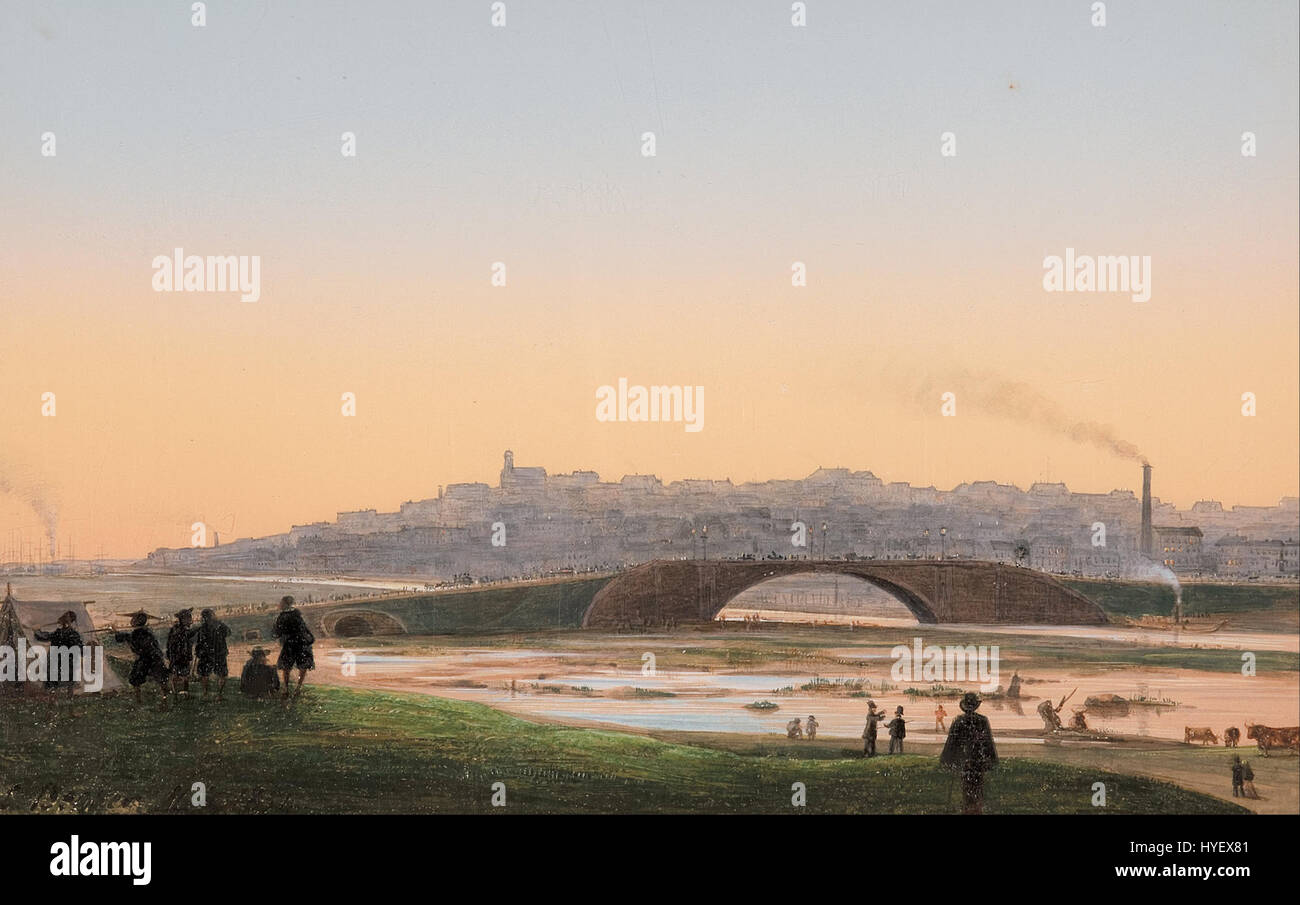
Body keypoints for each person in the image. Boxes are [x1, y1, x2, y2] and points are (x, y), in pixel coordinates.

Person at [940, 692, 999, 814]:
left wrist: (947, 760)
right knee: (978, 788)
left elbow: (951, 743)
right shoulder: (982, 720)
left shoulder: (958, 721)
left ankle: (968, 810)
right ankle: (975, 810)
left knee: (966, 788)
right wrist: (991, 760)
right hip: (979, 761)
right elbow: (988, 742)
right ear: (976, 706)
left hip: (964, 761)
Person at [114, 612, 169, 707]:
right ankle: (164, 701)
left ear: (135, 622)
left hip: (147, 659)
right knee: (161, 680)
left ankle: (139, 701)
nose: (132, 621)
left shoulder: (138, 633)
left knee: (136, 679)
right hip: (155, 658)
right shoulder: (147, 632)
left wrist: (115, 632)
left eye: (134, 619)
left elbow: (128, 638)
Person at [272, 596, 315, 698]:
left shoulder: (282, 617)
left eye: (281, 603)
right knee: (302, 666)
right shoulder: (297, 614)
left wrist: (277, 634)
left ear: (285, 604)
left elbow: (277, 632)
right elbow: (304, 628)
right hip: (301, 643)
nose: (279, 604)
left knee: (286, 667)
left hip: (290, 644)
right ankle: (298, 688)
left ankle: (286, 689)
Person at [33, 610, 82, 695]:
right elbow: (81, 649)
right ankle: (67, 698)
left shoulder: (60, 633)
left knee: (54, 682)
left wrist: (37, 631)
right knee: (67, 681)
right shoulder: (74, 634)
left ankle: (54, 700)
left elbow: (44, 636)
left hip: (58, 665)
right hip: (67, 665)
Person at [193, 608, 231, 701]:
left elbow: (199, 642)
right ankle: (217, 695)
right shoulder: (218, 625)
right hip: (216, 654)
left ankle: (207, 694)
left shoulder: (203, 628)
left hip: (210, 654)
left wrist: (198, 652)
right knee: (218, 674)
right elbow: (228, 632)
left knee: (207, 674)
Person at [166, 608, 196, 694]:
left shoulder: (179, 629)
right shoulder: (179, 630)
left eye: (190, 617)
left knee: (183, 675)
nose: (190, 619)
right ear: (182, 619)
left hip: (181, 656)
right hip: (178, 656)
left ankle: (182, 693)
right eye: (188, 618)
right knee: (179, 675)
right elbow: (171, 644)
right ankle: (179, 693)